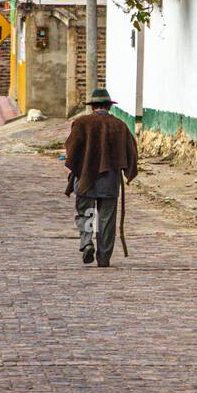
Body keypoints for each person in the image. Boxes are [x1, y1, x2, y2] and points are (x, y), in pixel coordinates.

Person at [64, 87, 138, 268]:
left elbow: (71, 149)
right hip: (110, 180)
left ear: (92, 107)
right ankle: (104, 257)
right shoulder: (120, 125)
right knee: (106, 219)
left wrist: (77, 165)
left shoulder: (81, 123)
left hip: (85, 178)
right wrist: (128, 171)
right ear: (109, 107)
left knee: (86, 213)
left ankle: (87, 242)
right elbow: (132, 151)